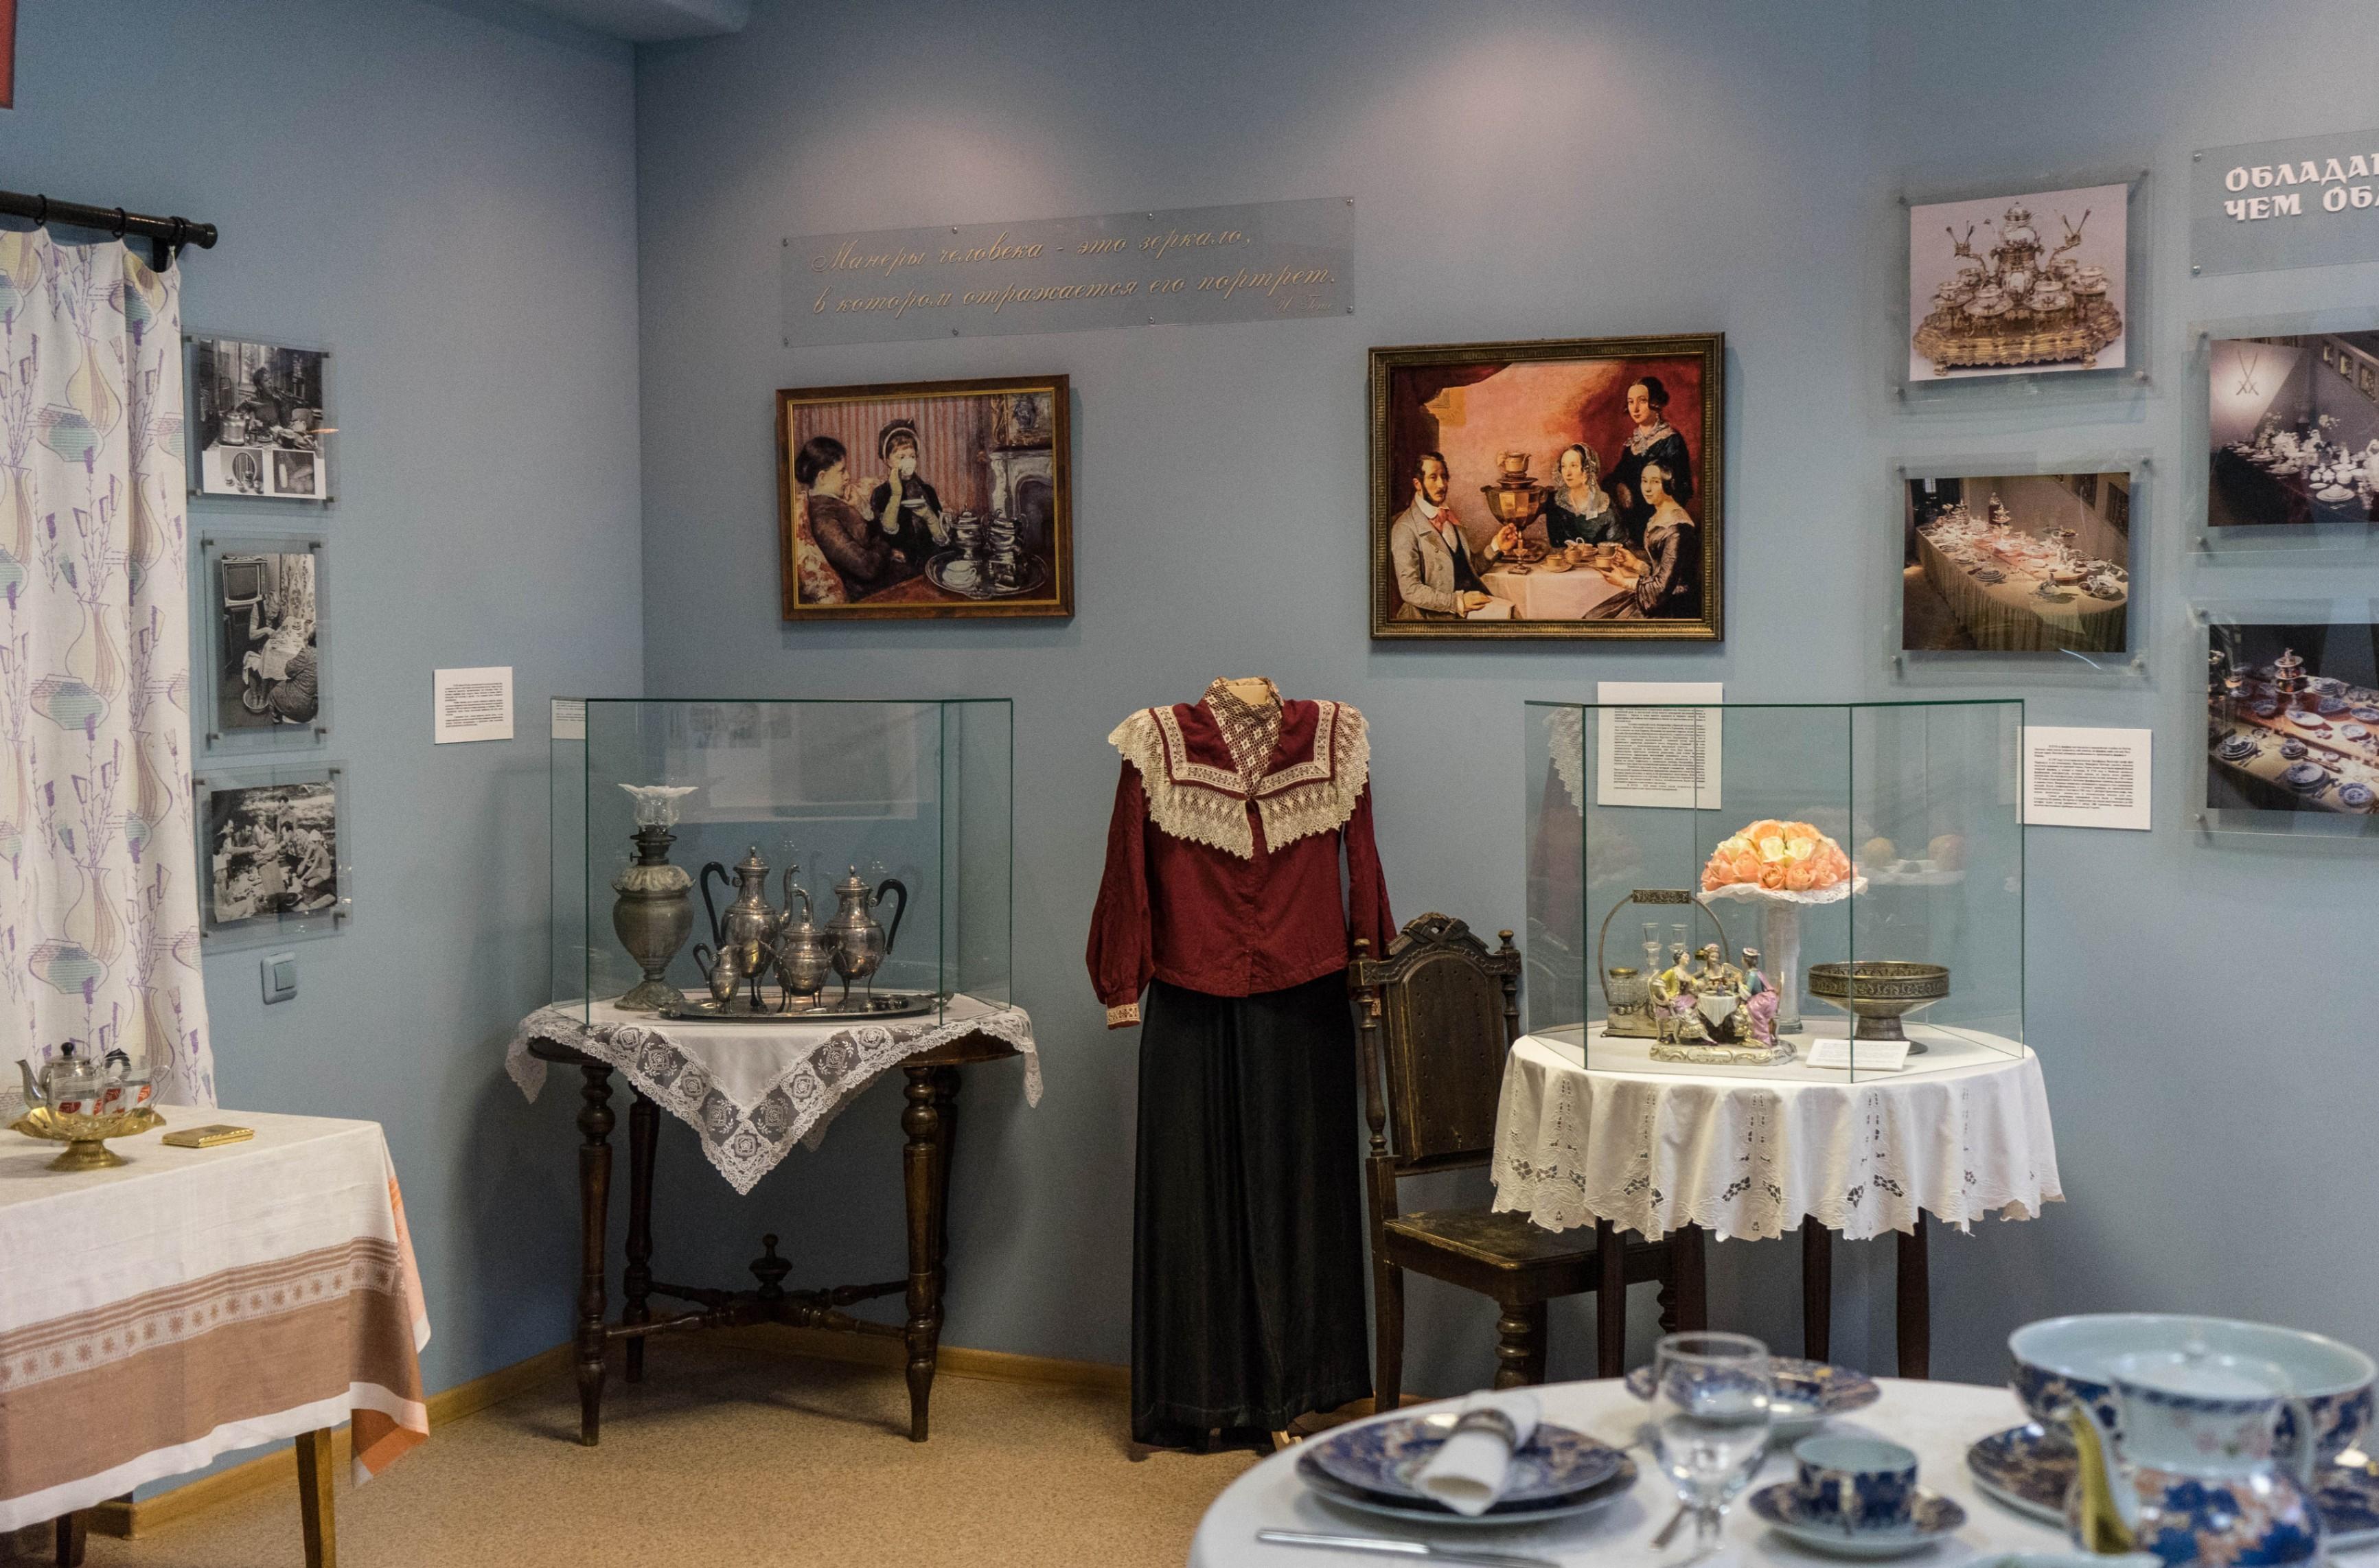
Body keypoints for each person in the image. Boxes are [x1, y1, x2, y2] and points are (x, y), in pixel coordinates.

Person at [1387, 450, 1520, 619]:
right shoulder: (1405, 528)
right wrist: (1457, 602)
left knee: (1513, 615)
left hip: (1467, 608)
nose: (1442, 485)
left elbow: (1467, 568)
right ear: (1417, 484)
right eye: (1433, 477)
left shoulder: (1448, 518)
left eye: (1444, 477)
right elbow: (1410, 590)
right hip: (1433, 617)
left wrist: (1496, 546)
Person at [797, 435, 906, 599]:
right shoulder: (823, 519)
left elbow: (866, 535)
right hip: (869, 591)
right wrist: (887, 537)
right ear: (822, 477)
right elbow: (867, 568)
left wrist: (861, 508)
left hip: (884, 572)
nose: (847, 476)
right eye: (842, 471)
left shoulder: (834, 503)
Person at [1607, 376, 1694, 549]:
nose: (1635, 408)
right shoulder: (1632, 446)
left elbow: (1682, 489)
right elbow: (1615, 477)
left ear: (1656, 403)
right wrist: (1620, 486)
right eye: (1631, 402)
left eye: (1642, 401)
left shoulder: (1671, 441)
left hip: (1660, 527)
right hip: (1631, 527)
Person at [863, 420, 945, 577]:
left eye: (912, 456)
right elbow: (885, 534)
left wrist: (929, 517)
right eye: (901, 457)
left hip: (931, 558)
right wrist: (896, 494)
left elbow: (942, 538)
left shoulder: (927, 490)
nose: (909, 461)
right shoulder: (881, 493)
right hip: (900, 565)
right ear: (887, 460)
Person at [1629, 462, 1702, 619]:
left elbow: (1662, 589)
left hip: (1672, 604)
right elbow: (1661, 565)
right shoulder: (1659, 516)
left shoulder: (1678, 528)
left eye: (1655, 482)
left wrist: (1623, 582)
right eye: (1644, 481)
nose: (1647, 488)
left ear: (1668, 484)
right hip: (1658, 596)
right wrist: (1635, 564)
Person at [1542, 443, 1622, 548]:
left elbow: (1617, 546)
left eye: (1573, 466)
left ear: (1587, 470)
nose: (1567, 473)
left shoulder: (1604, 504)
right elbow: (1555, 544)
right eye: (1564, 466)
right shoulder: (1555, 501)